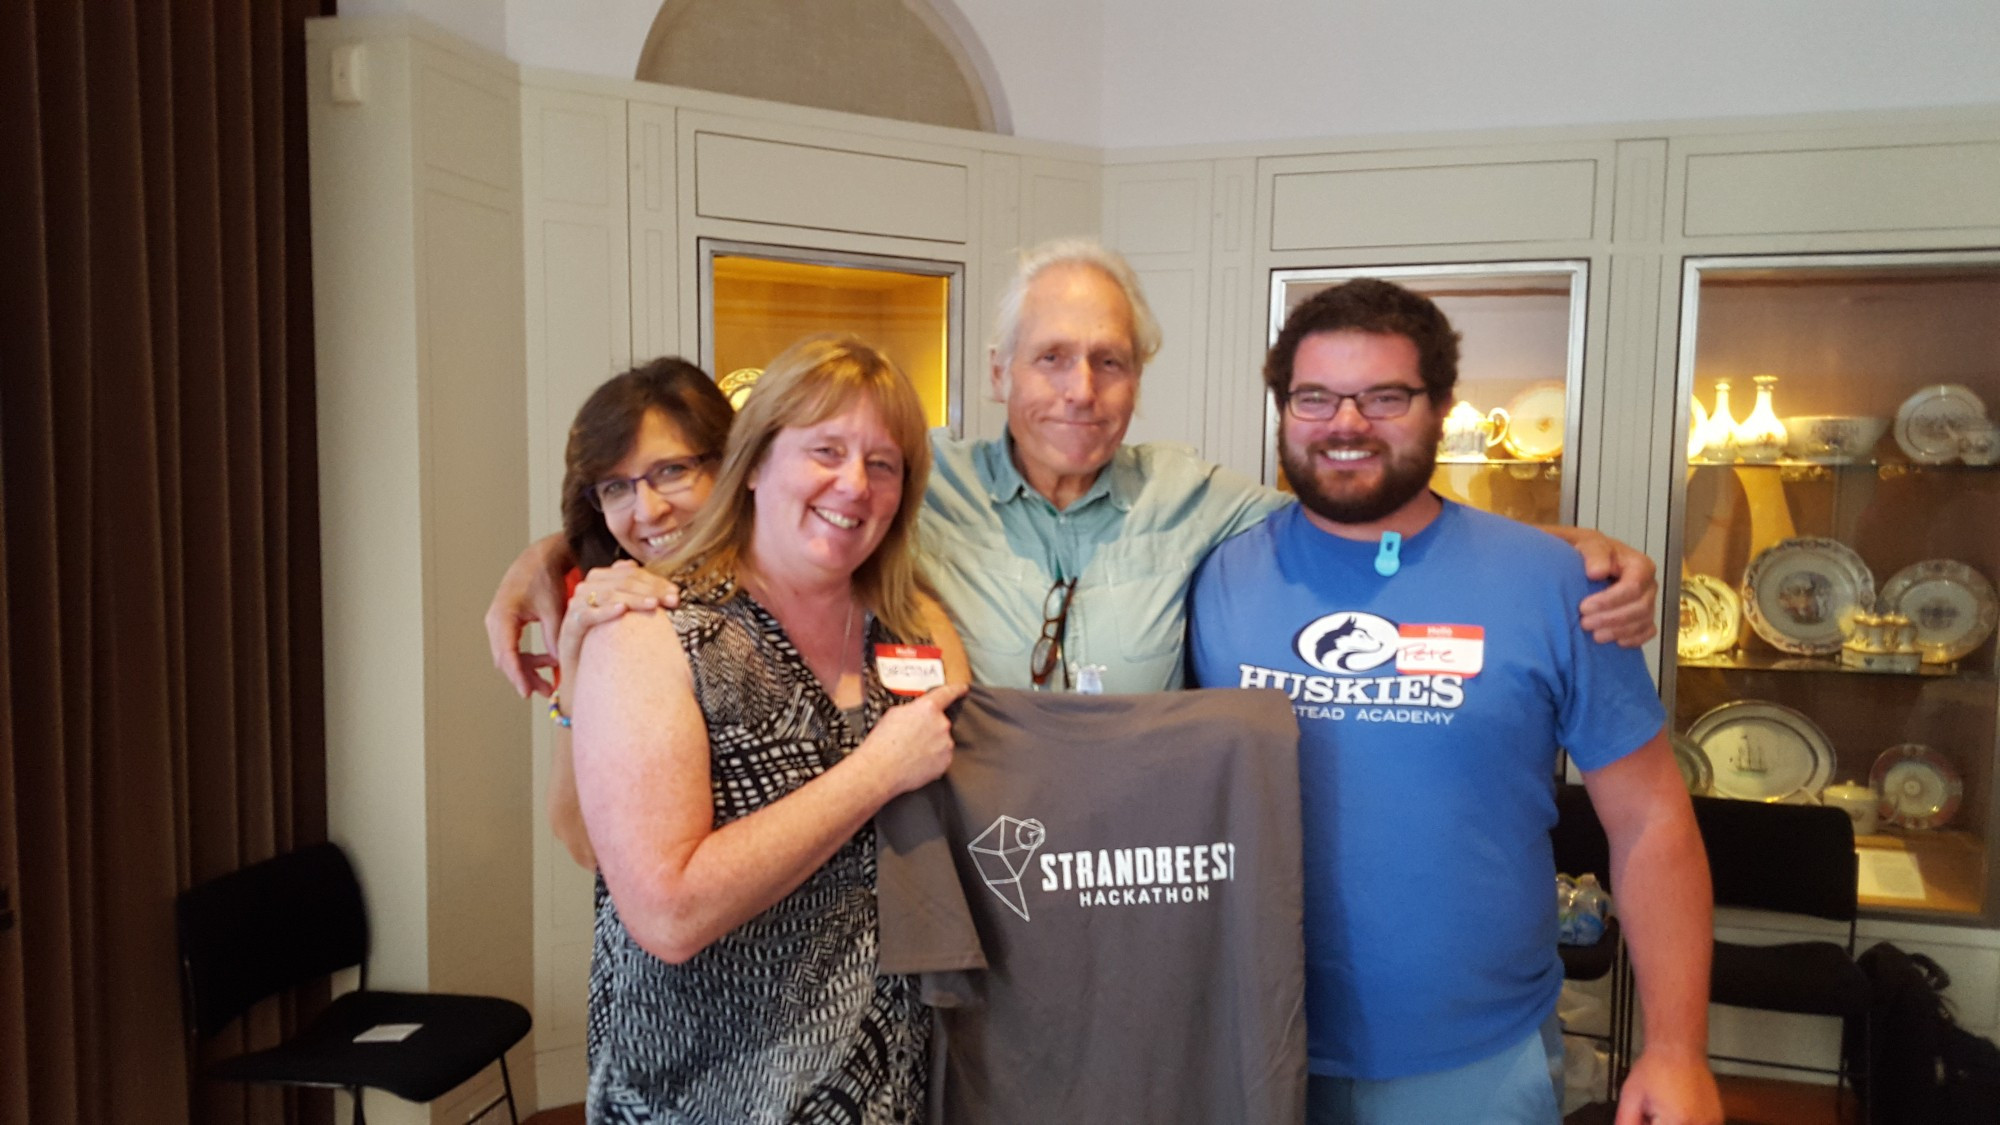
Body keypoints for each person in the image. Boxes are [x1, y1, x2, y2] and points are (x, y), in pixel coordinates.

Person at [487, 239, 1661, 696]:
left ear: (1138, 379)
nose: (1079, 390)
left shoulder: (1202, 500)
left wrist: (1565, 549)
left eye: (1108, 361)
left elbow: (1361, 500)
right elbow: (748, 492)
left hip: (1129, 877)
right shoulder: (896, 480)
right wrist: (557, 557)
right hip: (947, 864)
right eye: (1051, 358)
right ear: (996, 372)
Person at [1186, 279, 1720, 1125]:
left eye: (1385, 396)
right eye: (1314, 397)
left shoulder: (1554, 583)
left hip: (1477, 1059)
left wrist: (1675, 1049)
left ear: (1440, 406)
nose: (1346, 423)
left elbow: (1652, 818)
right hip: (1252, 1043)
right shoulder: (1213, 574)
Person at [568, 334, 971, 1122]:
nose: (853, 484)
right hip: (703, 1099)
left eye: (882, 464)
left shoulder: (914, 625)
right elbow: (668, 911)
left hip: (886, 1091)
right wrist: (874, 772)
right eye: (825, 450)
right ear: (752, 462)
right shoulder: (654, 629)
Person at [539, 357, 733, 870]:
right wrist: (574, 668)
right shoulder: (610, 606)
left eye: (672, 471)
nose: (647, 511)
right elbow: (581, 842)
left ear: (731, 464)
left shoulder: (797, 590)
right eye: (616, 487)